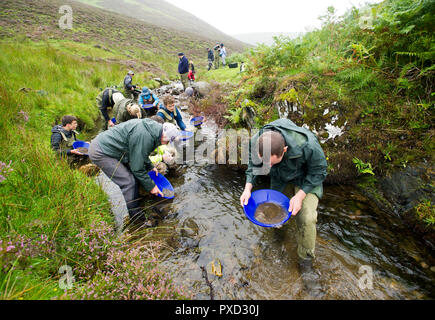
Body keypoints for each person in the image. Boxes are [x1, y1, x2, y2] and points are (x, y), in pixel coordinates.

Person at [239, 118, 328, 296]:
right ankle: (278, 238)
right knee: (274, 211)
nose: (266, 166)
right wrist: (248, 187)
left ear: (285, 150)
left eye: (271, 163)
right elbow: (252, 166)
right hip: (281, 178)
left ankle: (306, 263)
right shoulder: (257, 141)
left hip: (306, 180)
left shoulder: (308, 145)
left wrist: (300, 195)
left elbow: (319, 171)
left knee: (306, 217)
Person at [88, 119, 180, 222]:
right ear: (164, 135)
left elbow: (140, 154)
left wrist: (150, 166)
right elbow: (137, 168)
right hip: (101, 152)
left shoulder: (153, 130)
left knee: (134, 175)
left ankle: (137, 201)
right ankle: (136, 218)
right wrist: (152, 187)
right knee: (128, 182)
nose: (165, 144)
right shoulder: (146, 137)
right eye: (167, 141)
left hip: (113, 149)